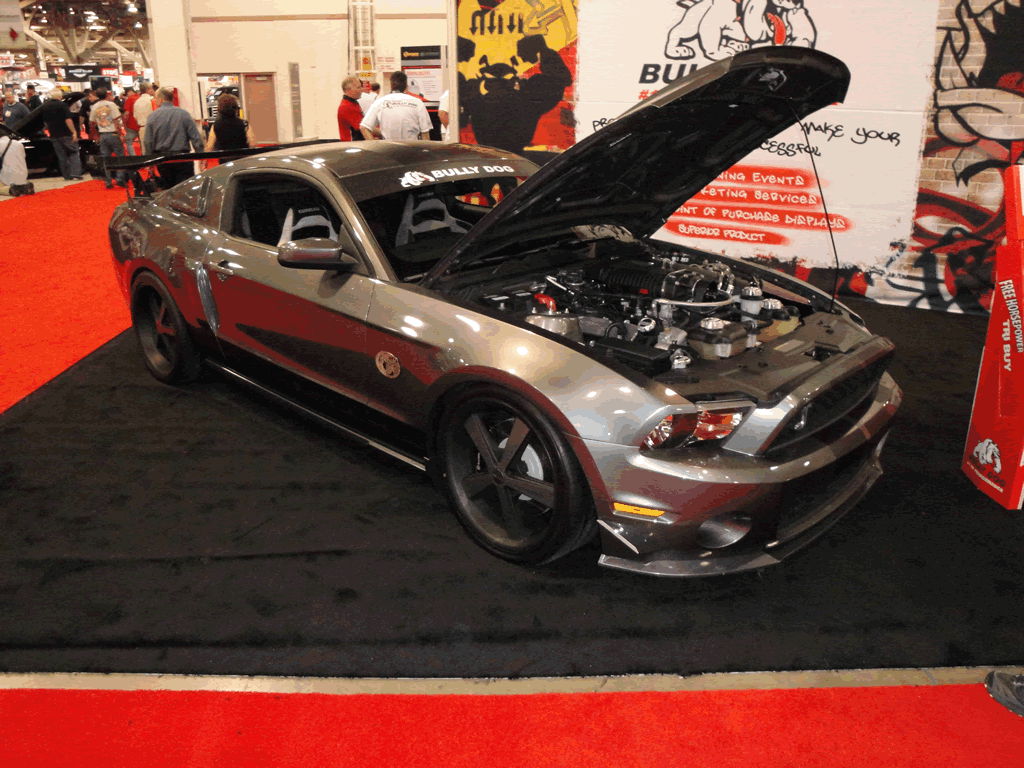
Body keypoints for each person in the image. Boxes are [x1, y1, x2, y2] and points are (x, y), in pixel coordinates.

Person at [144, 86, 204, 189]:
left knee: (168, 189)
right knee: (186, 189)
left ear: (161, 99)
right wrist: (201, 155)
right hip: (183, 158)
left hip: (163, 159)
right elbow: (196, 137)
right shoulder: (184, 114)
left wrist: (149, 160)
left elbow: (148, 141)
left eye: (155, 98)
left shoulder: (152, 116)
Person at [360, 71, 432, 141]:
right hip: (412, 147)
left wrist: (374, 145)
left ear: (391, 86)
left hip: (388, 147)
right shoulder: (418, 103)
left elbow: (363, 127)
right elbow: (425, 133)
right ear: (406, 86)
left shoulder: (379, 102)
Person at [39, 89, 82, 181]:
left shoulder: (45, 106)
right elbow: (68, 120)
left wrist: (51, 131)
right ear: (60, 96)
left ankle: (66, 175)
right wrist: (74, 132)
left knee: (61, 156)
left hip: (54, 134)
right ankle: (76, 173)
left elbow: (45, 122)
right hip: (66, 133)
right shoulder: (63, 105)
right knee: (73, 152)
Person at [203, 93, 255, 168]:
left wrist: (204, 160)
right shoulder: (244, 124)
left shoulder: (216, 126)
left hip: (225, 162)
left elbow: (209, 147)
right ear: (236, 108)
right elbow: (253, 143)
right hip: (242, 160)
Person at [90, 88, 127, 189]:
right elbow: (116, 120)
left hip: (102, 134)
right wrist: (120, 133)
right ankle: (119, 179)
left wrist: (95, 135)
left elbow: (92, 123)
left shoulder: (94, 106)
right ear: (107, 95)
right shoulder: (111, 105)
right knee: (120, 157)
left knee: (106, 159)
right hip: (113, 133)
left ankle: (108, 181)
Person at [0, 130, 33, 197]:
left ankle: (9, 189)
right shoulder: (19, 144)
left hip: (7, 178)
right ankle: (23, 187)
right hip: (23, 177)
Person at [337, 76, 364, 141]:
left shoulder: (352, 103)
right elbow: (363, 128)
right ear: (348, 89)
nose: (361, 90)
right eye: (358, 87)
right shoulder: (347, 106)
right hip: (353, 144)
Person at [134, 82, 156, 148]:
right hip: (153, 129)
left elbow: (135, 117)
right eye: (152, 88)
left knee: (145, 150)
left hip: (142, 129)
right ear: (148, 89)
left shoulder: (137, 102)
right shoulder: (153, 100)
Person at [122, 87, 141, 155]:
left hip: (131, 125)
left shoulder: (129, 99)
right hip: (141, 125)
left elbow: (126, 113)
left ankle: (133, 157)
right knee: (142, 143)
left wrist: (124, 124)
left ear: (129, 91)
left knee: (129, 142)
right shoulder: (140, 98)